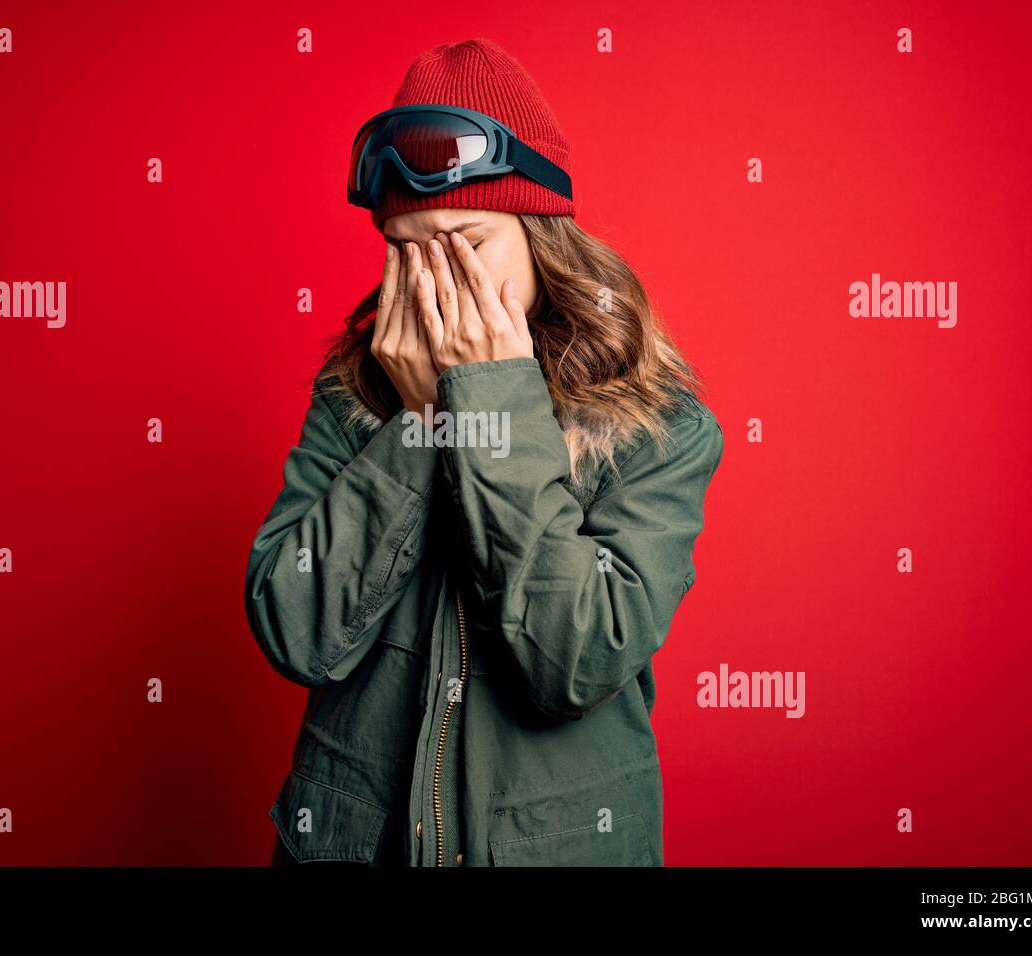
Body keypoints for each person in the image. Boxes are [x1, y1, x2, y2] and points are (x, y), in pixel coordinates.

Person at [247, 37, 724, 867]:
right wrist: (422, 423)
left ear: (540, 234)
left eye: (466, 241)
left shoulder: (657, 425)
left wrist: (489, 403)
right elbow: (294, 632)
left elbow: (575, 656)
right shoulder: (351, 398)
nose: (436, 281)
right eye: (406, 248)